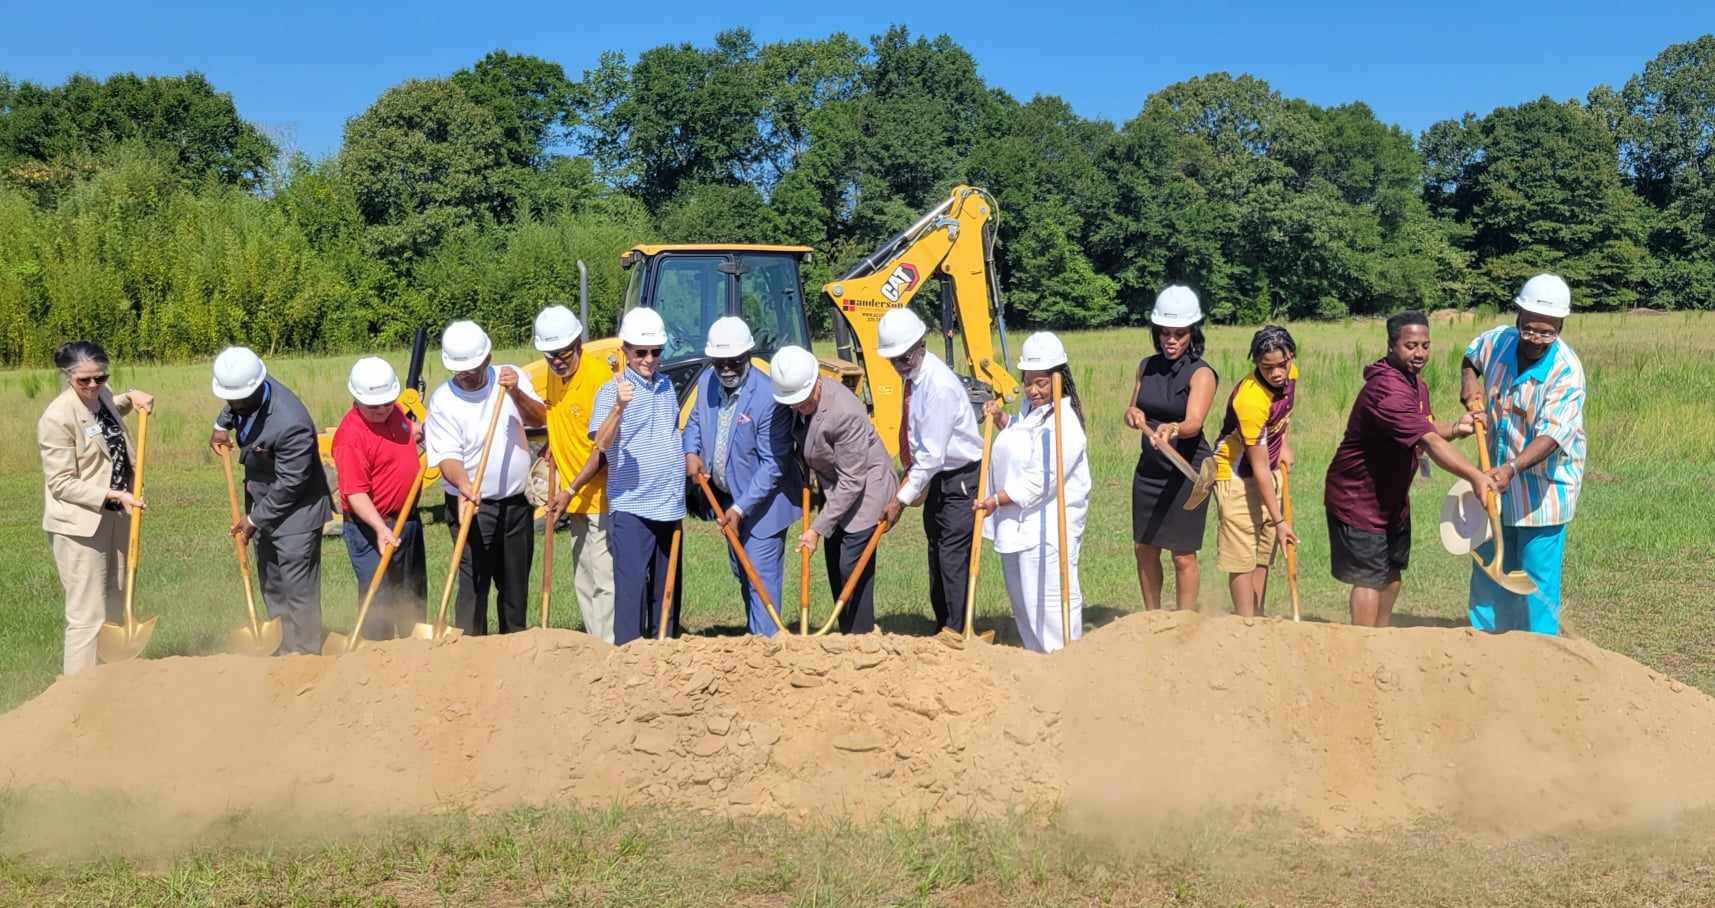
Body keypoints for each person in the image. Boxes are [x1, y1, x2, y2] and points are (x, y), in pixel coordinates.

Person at [1324, 312, 1493, 627]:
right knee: (1369, 577)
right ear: (1391, 346)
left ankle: (1384, 635)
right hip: (1358, 498)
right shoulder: (1387, 391)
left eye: (1425, 346)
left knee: (1392, 569)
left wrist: (1457, 427)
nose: (1420, 354)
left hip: (1391, 497)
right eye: (1411, 345)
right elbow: (1427, 439)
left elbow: (1425, 426)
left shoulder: (1416, 384)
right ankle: (1361, 645)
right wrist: (1476, 476)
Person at [1460, 274, 1587, 636]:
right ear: (1517, 316)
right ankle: (1484, 641)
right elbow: (1472, 356)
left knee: (1535, 578)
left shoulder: (1566, 372)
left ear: (1560, 326)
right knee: (1488, 565)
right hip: (1493, 474)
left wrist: (1513, 467)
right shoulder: (1499, 340)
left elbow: (1551, 436)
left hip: (1543, 489)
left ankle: (1538, 652)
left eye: (1547, 333)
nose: (1535, 340)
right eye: (1529, 329)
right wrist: (1469, 385)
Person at [37, 341, 154, 675]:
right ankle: (76, 696)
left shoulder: (102, 396)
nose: (92, 386)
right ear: (68, 377)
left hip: (117, 516)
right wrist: (115, 495)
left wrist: (131, 397)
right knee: (87, 616)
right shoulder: (56, 419)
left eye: (99, 378)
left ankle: (111, 685)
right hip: (79, 525)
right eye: (83, 381)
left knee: (117, 601)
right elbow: (61, 483)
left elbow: (110, 412)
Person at [423, 320, 545, 636]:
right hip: (471, 505)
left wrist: (516, 391)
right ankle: (470, 655)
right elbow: (447, 457)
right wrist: (464, 485)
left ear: (488, 357)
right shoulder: (442, 401)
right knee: (473, 586)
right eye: (461, 371)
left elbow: (539, 419)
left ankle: (515, 648)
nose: (468, 375)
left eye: (474, 368)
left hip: (517, 504)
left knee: (515, 588)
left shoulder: (511, 378)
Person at [209, 346, 332, 654]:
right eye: (230, 398)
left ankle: (305, 654)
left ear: (255, 388)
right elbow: (235, 407)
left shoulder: (292, 423)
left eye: (238, 399)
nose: (233, 403)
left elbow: (291, 484)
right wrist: (221, 425)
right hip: (263, 504)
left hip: (297, 512)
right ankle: (281, 645)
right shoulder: (249, 389)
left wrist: (252, 520)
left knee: (297, 588)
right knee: (273, 582)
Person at [974, 333, 1090, 653]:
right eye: (1028, 382)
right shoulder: (1030, 410)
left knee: (1049, 610)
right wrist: (1002, 420)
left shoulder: (1066, 425)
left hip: (1047, 532)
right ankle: (1038, 669)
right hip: (1017, 527)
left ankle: (1065, 671)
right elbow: (1022, 439)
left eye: (1041, 383)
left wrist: (994, 501)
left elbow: (1039, 483)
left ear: (1059, 379)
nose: (1034, 390)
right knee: (1024, 606)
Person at [683, 317, 799, 636]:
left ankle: (766, 651)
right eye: (720, 362)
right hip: (728, 500)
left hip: (763, 507)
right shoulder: (708, 380)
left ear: (747, 355)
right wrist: (691, 452)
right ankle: (757, 640)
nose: (727, 368)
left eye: (734, 361)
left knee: (759, 579)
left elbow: (774, 464)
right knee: (742, 573)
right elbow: (694, 421)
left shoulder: (767, 398)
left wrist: (740, 509)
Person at [770, 345, 897, 634]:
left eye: (802, 400)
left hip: (866, 488)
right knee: (834, 560)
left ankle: (861, 637)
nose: (797, 407)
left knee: (851, 566)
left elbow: (853, 479)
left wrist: (816, 528)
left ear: (817, 381)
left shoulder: (844, 412)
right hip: (835, 486)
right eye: (793, 403)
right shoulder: (794, 401)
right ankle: (846, 633)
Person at [877, 308, 984, 634]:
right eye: (893, 360)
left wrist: (899, 500)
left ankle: (956, 634)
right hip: (936, 476)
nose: (899, 366)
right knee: (936, 552)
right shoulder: (915, 378)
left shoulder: (938, 386)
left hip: (960, 479)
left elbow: (932, 456)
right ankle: (943, 628)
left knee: (951, 558)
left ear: (921, 344)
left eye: (904, 358)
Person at [589, 307, 686, 644]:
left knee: (667, 600)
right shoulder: (610, 391)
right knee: (631, 597)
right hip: (632, 508)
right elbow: (601, 443)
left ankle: (664, 661)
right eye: (641, 352)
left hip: (669, 507)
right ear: (625, 351)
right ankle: (628, 667)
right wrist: (618, 407)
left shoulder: (667, 386)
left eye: (655, 352)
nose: (648, 359)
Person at [527, 304, 616, 643]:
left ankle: (610, 651)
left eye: (563, 353)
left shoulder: (598, 381)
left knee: (604, 580)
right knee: (583, 577)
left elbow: (604, 450)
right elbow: (556, 415)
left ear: (578, 343)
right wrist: (553, 446)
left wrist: (570, 489)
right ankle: (593, 646)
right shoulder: (553, 374)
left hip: (600, 497)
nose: (557, 361)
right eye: (550, 355)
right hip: (573, 497)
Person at [1124, 285, 1217, 611]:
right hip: (1150, 471)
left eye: (1179, 333)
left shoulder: (1201, 373)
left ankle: (1185, 621)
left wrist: (1173, 428)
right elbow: (1133, 409)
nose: (1171, 340)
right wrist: (1133, 415)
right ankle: (1152, 617)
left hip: (1188, 472)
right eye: (1165, 333)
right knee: (1144, 547)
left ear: (1192, 332)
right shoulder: (1145, 366)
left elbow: (1193, 421)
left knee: (1182, 554)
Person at [331, 357, 426, 641]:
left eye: (388, 402)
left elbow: (407, 434)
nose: (383, 409)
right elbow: (355, 493)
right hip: (370, 527)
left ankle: (417, 657)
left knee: (412, 593)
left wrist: (421, 432)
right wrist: (381, 529)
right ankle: (376, 656)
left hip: (407, 519)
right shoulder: (351, 437)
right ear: (356, 399)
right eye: (374, 406)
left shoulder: (393, 412)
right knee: (380, 597)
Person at [1211, 326, 1300, 617]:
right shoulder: (1251, 399)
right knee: (1242, 557)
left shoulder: (1291, 375)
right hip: (1236, 475)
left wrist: (1283, 443)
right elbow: (1258, 466)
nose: (1277, 373)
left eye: (1282, 365)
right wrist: (1280, 520)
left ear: (1291, 357)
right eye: (1267, 367)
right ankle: (1244, 625)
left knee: (1263, 554)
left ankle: (1257, 619)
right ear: (1256, 363)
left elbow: (1282, 417)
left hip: (1268, 470)